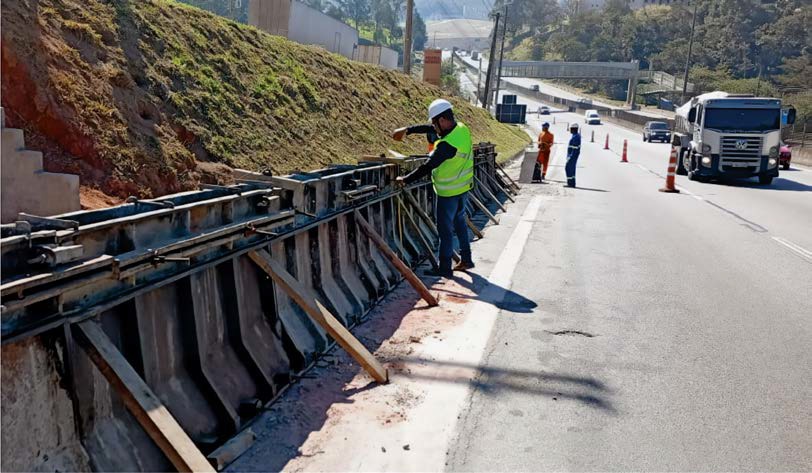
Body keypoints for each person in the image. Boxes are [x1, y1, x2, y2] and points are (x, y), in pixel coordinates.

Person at [393, 99, 474, 278]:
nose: (434, 127)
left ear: (443, 120)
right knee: (460, 222)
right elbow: (431, 129)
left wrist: (405, 179)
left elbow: (427, 166)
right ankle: (466, 259)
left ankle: (444, 268)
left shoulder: (446, 145)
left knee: (445, 231)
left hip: (448, 193)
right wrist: (408, 130)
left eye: (435, 123)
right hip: (463, 188)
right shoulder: (460, 128)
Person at [565, 123, 581, 187]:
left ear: (574, 129)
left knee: (568, 168)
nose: (570, 130)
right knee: (571, 169)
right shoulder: (575, 135)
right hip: (572, 156)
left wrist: (570, 157)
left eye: (571, 129)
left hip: (573, 156)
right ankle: (572, 183)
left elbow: (575, 148)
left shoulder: (576, 137)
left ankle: (570, 183)